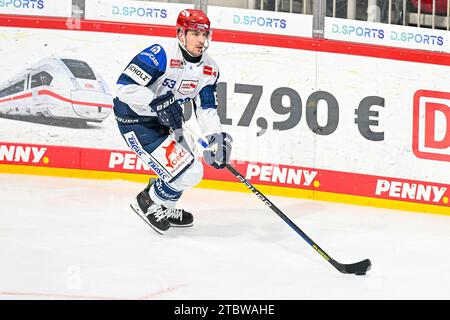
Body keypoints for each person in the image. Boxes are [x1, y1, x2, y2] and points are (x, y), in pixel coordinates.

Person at [113, 9, 232, 235]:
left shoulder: (210, 68)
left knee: (192, 165)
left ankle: (164, 206)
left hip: (167, 122)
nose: (201, 40)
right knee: (189, 171)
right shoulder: (160, 55)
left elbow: (206, 107)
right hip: (135, 120)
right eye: (195, 33)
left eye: (204, 34)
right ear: (180, 34)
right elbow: (123, 88)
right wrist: (157, 101)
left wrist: (216, 138)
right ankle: (146, 201)